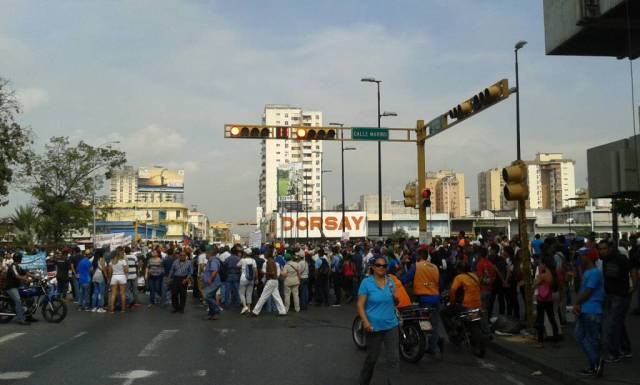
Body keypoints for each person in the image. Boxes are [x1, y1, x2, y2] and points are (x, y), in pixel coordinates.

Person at [357, 256, 399, 385]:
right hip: (374, 327)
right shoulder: (366, 283)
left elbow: (395, 302)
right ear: (373, 267)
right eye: (378, 265)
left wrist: (395, 298)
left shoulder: (391, 282)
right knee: (372, 359)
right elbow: (360, 305)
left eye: (384, 266)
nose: (381, 268)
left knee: (394, 360)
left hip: (391, 325)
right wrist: (365, 322)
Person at [401, 246, 441, 356]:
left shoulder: (416, 266)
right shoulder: (434, 267)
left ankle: (420, 342)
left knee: (422, 322)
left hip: (424, 299)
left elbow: (406, 279)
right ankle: (433, 347)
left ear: (419, 256)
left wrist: (397, 283)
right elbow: (439, 283)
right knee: (435, 324)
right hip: (436, 298)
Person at [598, 240, 633, 362]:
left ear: (610, 248)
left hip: (620, 295)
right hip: (611, 295)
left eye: (604, 248)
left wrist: (633, 287)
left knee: (613, 325)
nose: (602, 251)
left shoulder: (619, 259)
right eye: (600, 249)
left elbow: (633, 269)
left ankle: (614, 353)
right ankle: (625, 349)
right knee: (618, 323)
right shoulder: (605, 260)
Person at [573, 247, 605, 377]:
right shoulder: (588, 272)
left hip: (592, 311)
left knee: (590, 339)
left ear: (588, 257)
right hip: (586, 310)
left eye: (581, 256)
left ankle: (595, 363)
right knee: (580, 336)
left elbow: (588, 292)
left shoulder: (595, 273)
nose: (579, 258)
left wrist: (577, 303)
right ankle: (595, 363)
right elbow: (583, 290)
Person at [533, 255, 559, 348]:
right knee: (552, 318)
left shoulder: (543, 274)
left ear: (544, 264)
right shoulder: (551, 272)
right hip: (549, 298)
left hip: (541, 299)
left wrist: (538, 279)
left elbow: (535, 284)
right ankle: (556, 340)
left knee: (540, 320)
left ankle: (540, 342)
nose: (539, 265)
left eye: (540, 263)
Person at [251, 252, 286, 317]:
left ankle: (255, 312)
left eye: (265, 254)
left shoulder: (269, 262)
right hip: (275, 281)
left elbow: (272, 273)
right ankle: (282, 311)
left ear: (267, 255)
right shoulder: (274, 262)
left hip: (270, 281)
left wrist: (264, 272)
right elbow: (276, 274)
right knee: (277, 297)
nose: (264, 254)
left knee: (263, 297)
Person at [5, 254, 30, 325]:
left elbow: (25, 272)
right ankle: (21, 319)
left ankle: (29, 316)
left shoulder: (18, 266)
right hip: (11, 287)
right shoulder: (13, 266)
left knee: (28, 295)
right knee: (18, 301)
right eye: (20, 258)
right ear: (19, 259)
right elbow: (16, 276)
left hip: (17, 287)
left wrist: (35, 276)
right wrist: (25, 278)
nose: (21, 259)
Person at [203, 246, 222, 320]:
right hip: (212, 282)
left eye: (206, 253)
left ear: (209, 253)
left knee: (207, 296)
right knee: (211, 297)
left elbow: (215, 271)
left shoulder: (213, 261)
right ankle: (212, 314)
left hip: (213, 283)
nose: (205, 255)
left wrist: (210, 279)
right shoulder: (211, 260)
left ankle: (216, 310)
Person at [108, 248, 128, 314]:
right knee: (122, 294)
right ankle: (123, 308)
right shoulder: (123, 261)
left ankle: (111, 309)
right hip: (122, 276)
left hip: (114, 276)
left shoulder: (111, 261)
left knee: (113, 294)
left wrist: (109, 279)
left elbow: (110, 271)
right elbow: (126, 271)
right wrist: (125, 276)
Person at [238, 248, 258, 314]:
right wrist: (256, 279)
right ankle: (249, 308)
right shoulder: (253, 260)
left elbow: (237, 265)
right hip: (251, 279)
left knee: (241, 293)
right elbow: (255, 270)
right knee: (249, 293)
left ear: (245, 253)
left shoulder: (242, 260)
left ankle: (245, 306)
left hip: (243, 279)